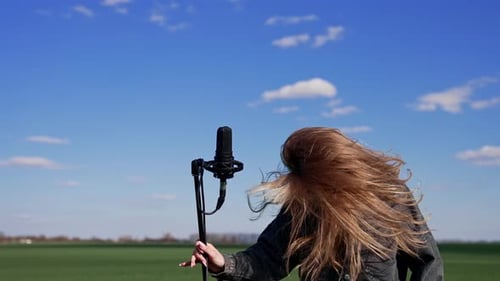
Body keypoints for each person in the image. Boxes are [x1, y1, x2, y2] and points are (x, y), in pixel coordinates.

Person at [180, 127, 444, 281]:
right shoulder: (303, 206)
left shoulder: (391, 196)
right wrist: (223, 264)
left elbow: (428, 262)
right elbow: (267, 259)